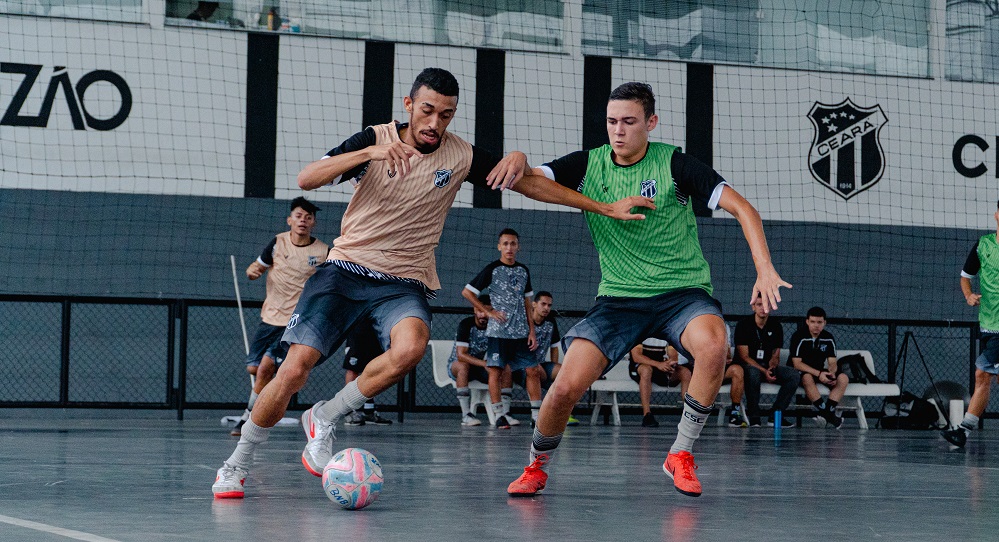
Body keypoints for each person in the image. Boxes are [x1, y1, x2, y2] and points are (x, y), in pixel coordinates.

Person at [212, 67, 652, 498]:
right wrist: (369, 154)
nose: (435, 123)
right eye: (428, 111)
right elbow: (307, 178)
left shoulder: (460, 155)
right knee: (293, 370)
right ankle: (236, 464)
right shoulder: (374, 138)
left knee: (411, 348)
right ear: (409, 105)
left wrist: (545, 174)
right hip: (345, 270)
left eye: (446, 114)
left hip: (403, 283)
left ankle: (325, 416)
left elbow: (532, 185)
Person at [507, 82, 790, 499]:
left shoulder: (674, 165)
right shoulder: (589, 165)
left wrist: (764, 270)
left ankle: (680, 452)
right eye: (611, 121)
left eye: (629, 121)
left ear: (650, 123)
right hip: (619, 299)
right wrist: (520, 158)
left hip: (682, 293)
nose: (618, 130)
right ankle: (536, 465)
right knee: (566, 386)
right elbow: (527, 181)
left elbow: (744, 208)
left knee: (714, 347)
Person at [230, 197, 328, 437]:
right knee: (255, 368)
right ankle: (258, 411)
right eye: (298, 216)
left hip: (298, 320)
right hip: (271, 316)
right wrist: (252, 270)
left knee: (266, 367)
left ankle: (249, 419)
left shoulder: (323, 251)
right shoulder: (277, 243)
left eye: (308, 217)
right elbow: (258, 266)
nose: (303, 221)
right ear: (289, 220)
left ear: (313, 222)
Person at [462, 229, 536, 429]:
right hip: (498, 332)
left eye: (513, 244)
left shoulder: (523, 270)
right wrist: (488, 312)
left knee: (533, 370)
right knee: (496, 371)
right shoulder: (492, 269)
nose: (509, 248)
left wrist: (532, 330)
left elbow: (528, 303)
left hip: (521, 332)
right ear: (499, 247)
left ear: (518, 246)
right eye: (505, 244)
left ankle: (536, 416)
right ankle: (499, 415)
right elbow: (467, 292)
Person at [943, 201, 999, 447]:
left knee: (982, 373)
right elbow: (966, 277)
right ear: (997, 215)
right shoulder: (983, 245)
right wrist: (968, 296)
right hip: (987, 322)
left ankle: (963, 431)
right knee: (986, 377)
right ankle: (963, 431)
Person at [511, 291, 577, 426]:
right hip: (520, 367)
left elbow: (554, 347)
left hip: (541, 365)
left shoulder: (551, 322)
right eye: (543, 304)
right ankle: (536, 415)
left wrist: (554, 368)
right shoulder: (523, 321)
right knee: (534, 370)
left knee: (565, 372)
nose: (546, 308)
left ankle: (563, 414)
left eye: (549, 305)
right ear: (534, 304)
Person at [735, 294, 799, 428]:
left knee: (793, 375)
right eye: (759, 305)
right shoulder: (743, 325)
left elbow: (776, 354)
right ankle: (754, 416)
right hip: (748, 367)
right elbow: (744, 357)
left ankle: (776, 415)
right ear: (753, 307)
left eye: (766, 305)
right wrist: (764, 371)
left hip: (766, 367)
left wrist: (772, 367)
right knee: (753, 373)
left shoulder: (776, 326)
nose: (763, 308)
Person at [788, 307, 847, 428]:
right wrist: (819, 374)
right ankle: (830, 416)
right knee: (807, 378)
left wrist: (832, 374)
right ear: (807, 322)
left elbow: (832, 362)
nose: (816, 325)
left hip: (820, 372)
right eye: (813, 322)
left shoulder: (828, 338)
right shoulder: (799, 336)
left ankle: (826, 413)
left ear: (824, 323)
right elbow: (797, 364)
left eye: (819, 322)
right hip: (801, 372)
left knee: (843, 378)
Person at [447, 294, 494, 426]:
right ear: (474, 309)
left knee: (502, 368)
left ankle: (502, 413)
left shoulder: (494, 327)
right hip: (457, 365)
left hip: (479, 368)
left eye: (488, 311)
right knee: (463, 366)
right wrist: (484, 363)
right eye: (480, 310)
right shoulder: (466, 324)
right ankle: (466, 414)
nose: (483, 315)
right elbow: (461, 355)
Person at [628, 339, 691, 428]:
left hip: (661, 368)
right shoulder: (641, 332)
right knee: (646, 370)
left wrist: (671, 362)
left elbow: (673, 355)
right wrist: (658, 364)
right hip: (641, 367)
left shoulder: (665, 333)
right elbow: (637, 357)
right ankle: (647, 415)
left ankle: (690, 414)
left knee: (685, 372)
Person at [342, 325, 393, 426]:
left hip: (376, 329)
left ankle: (369, 411)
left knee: (373, 370)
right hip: (358, 329)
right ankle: (349, 409)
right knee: (353, 368)